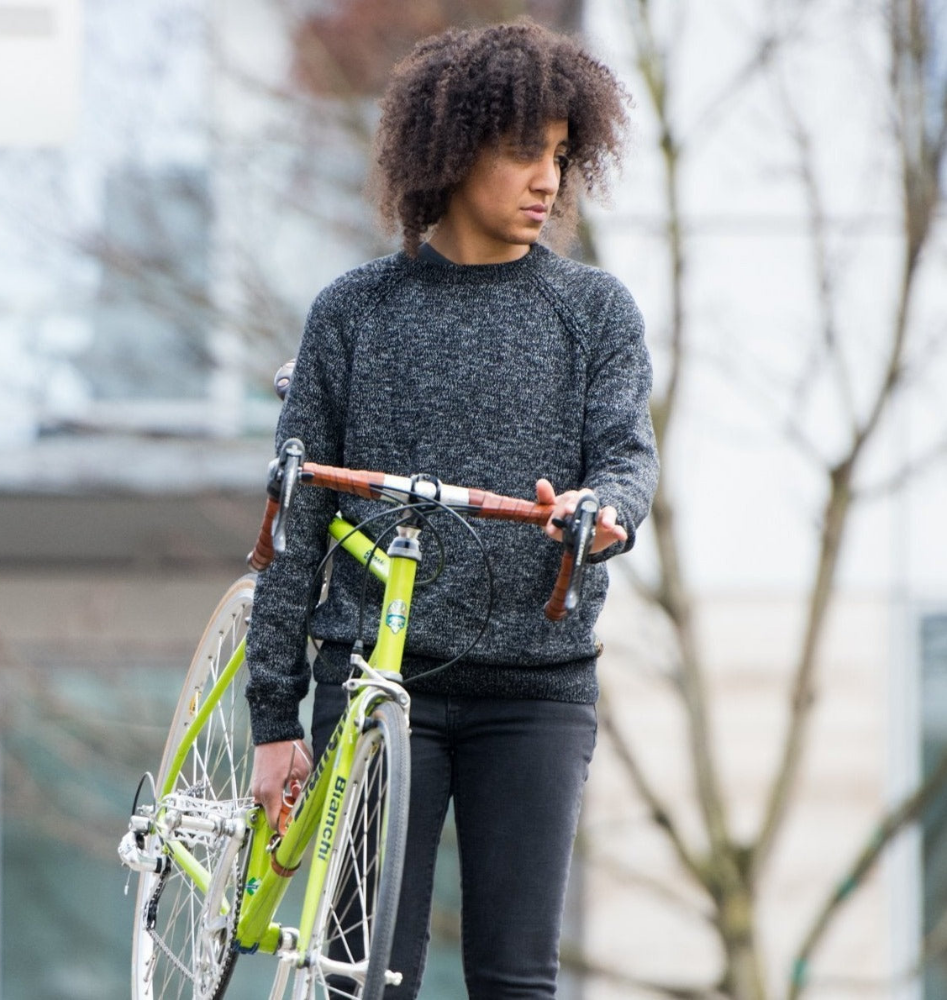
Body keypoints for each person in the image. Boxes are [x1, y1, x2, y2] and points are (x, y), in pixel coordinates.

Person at [246, 19, 659, 999]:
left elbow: (625, 461)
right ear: (451, 147)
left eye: (559, 153)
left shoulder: (594, 313)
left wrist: (604, 514)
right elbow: (295, 528)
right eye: (524, 151)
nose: (547, 178)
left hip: (536, 692)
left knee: (516, 980)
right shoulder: (352, 313)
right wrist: (274, 717)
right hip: (377, 686)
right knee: (365, 979)